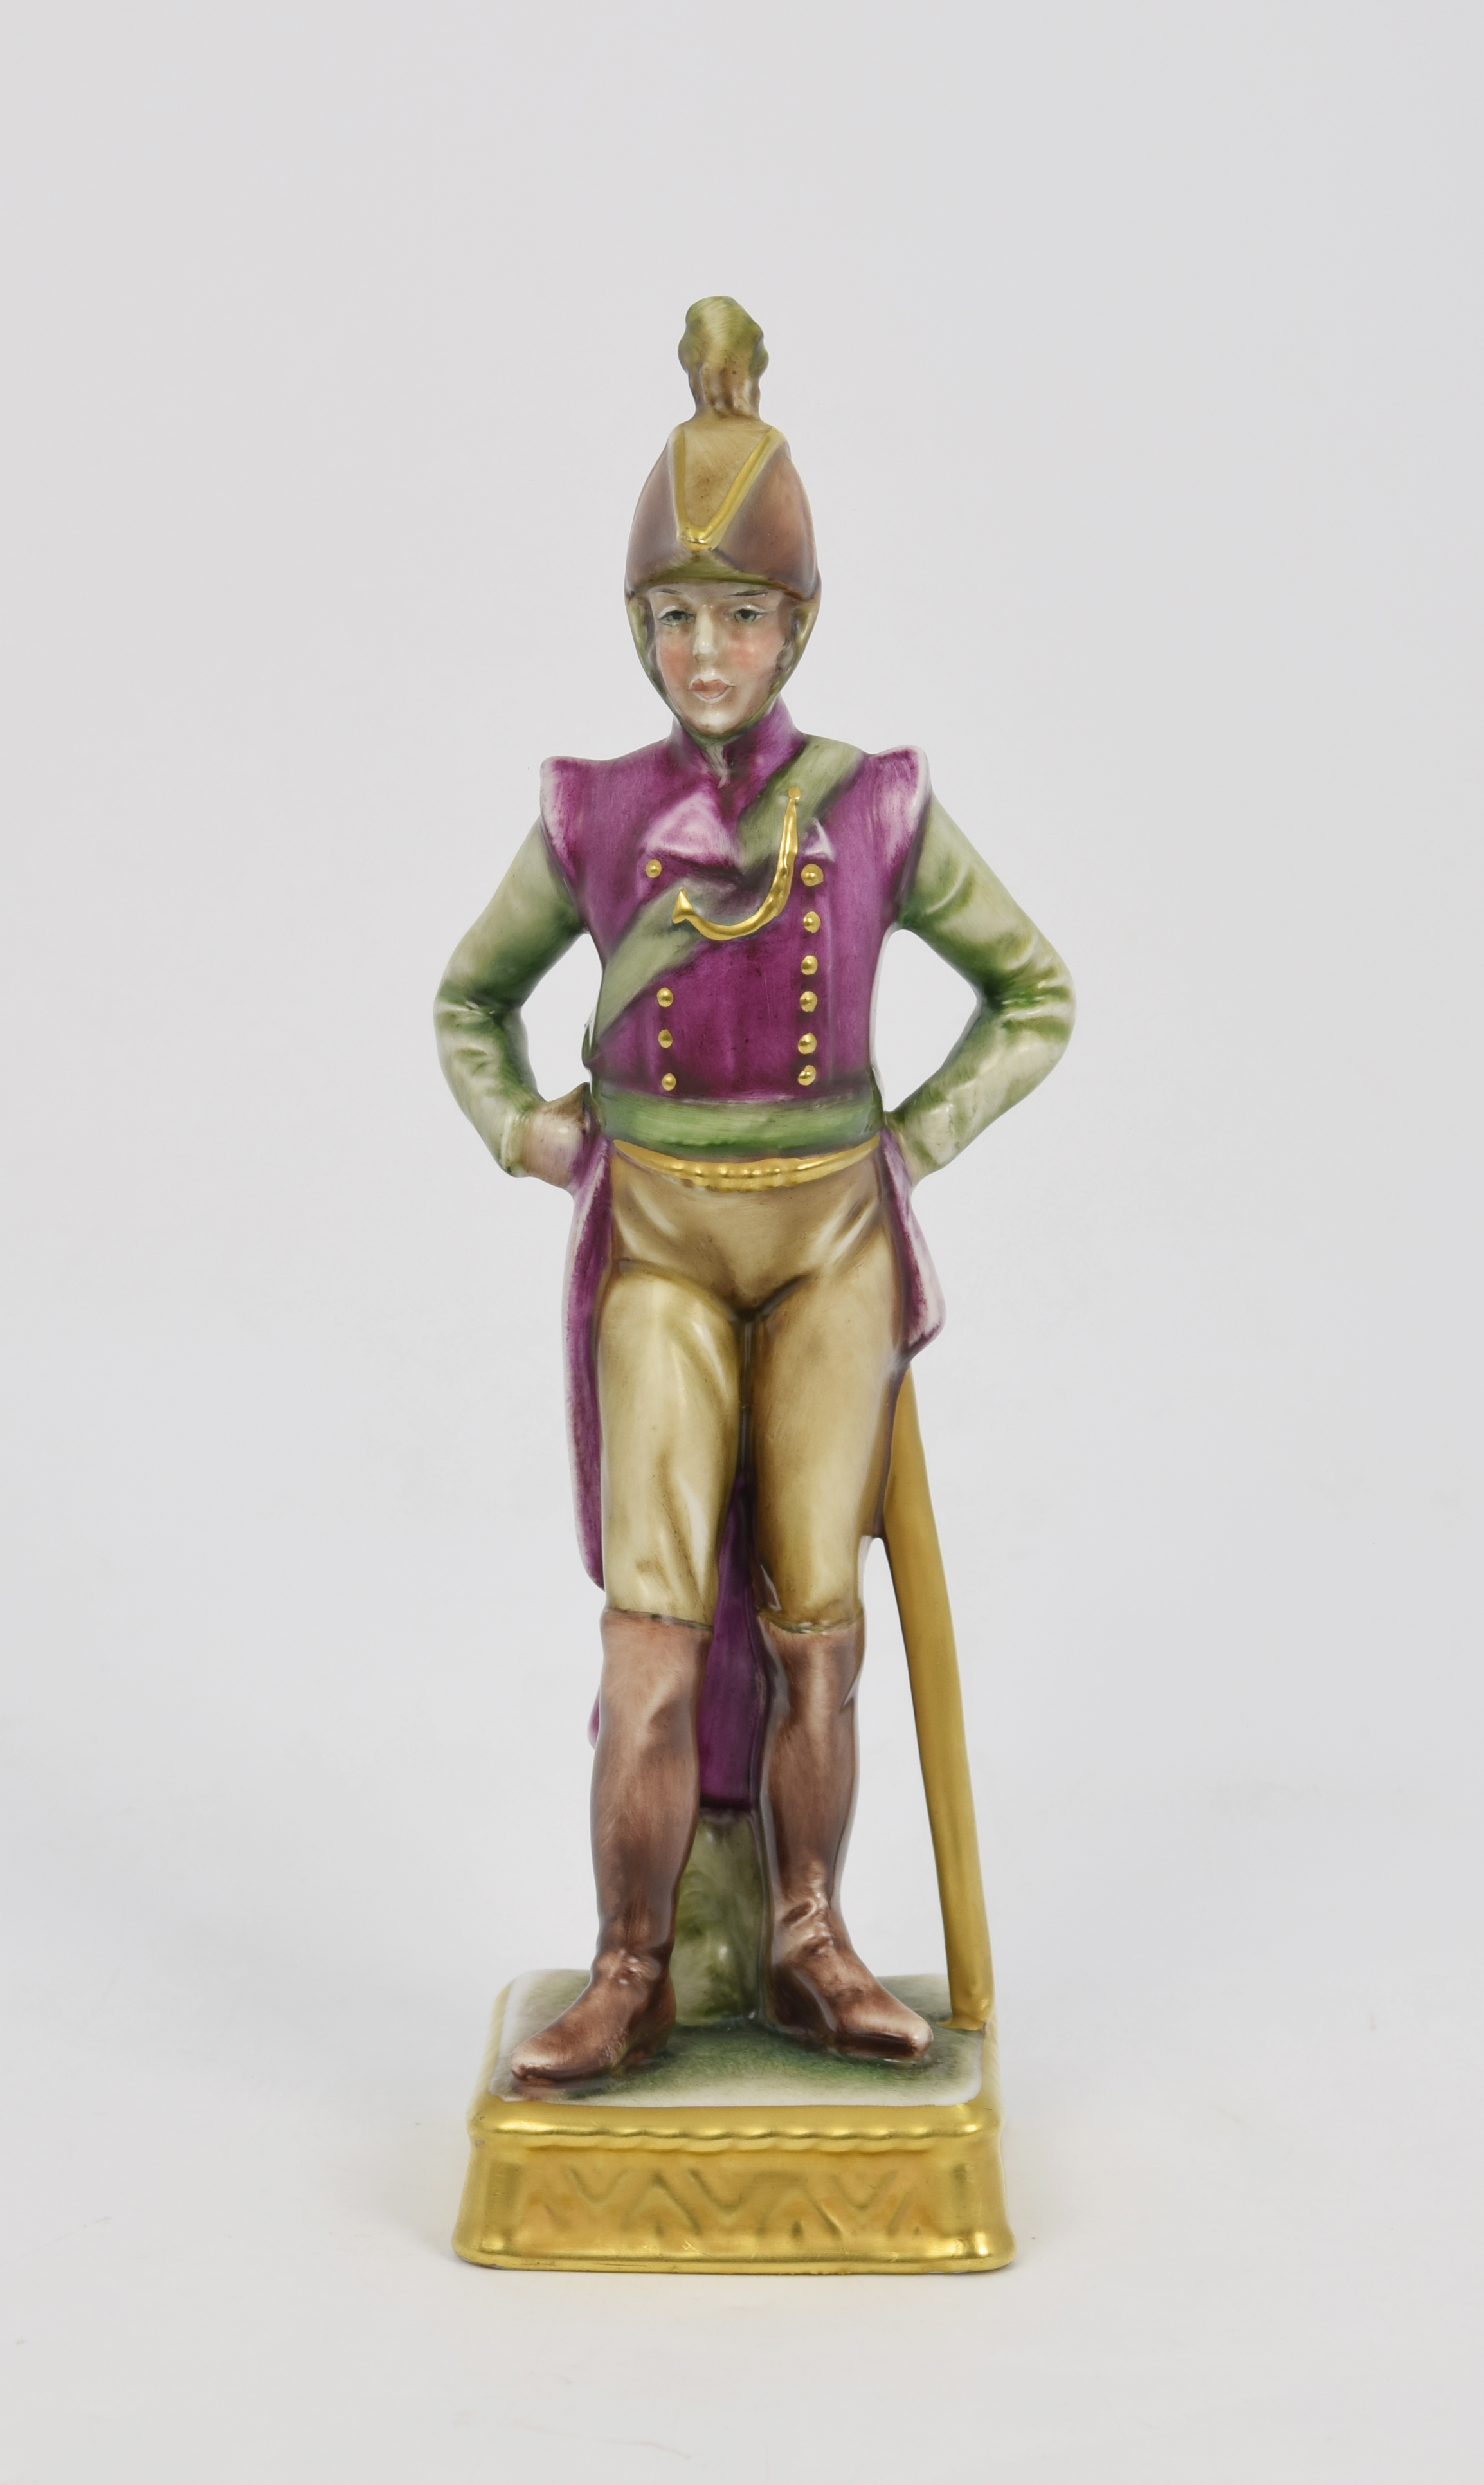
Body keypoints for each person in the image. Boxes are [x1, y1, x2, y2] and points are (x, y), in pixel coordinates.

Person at [435, 298, 1073, 2084]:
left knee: (815, 1636)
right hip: (652, 1244)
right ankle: (631, 1965)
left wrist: (913, 1144)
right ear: (636, 629)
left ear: (797, 624)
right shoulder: (589, 814)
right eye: (674, 616)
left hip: (831, 1251)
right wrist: (525, 1130)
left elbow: (1034, 994)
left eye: (738, 614)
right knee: (650, 1641)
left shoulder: (876, 810)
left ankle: (806, 1940)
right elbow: (467, 1003)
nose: (705, 650)